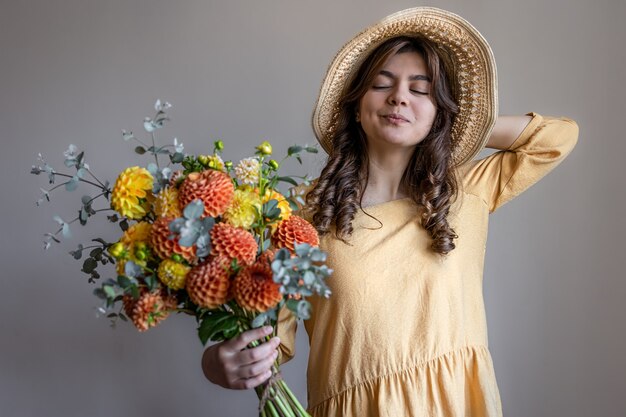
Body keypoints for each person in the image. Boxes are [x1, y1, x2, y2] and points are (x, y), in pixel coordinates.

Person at [201, 7, 578, 417]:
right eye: (382, 85)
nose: (399, 96)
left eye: (420, 90)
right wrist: (218, 364)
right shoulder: (303, 218)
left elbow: (557, 138)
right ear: (356, 105)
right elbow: (267, 345)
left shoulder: (464, 190)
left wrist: (455, 121)